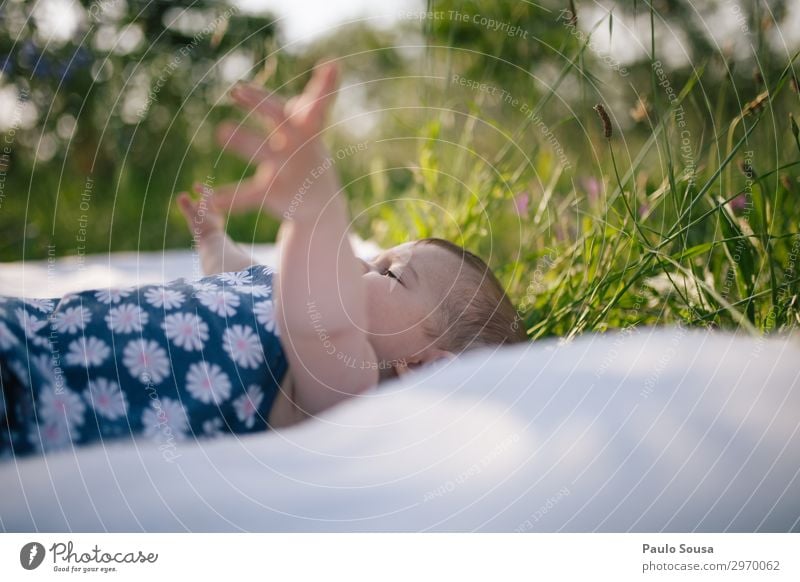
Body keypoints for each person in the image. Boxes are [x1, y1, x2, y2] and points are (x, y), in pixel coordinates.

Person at [0, 62, 526, 458]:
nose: (366, 264)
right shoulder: (298, 305)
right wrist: (213, 241)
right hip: (35, 328)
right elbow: (243, 277)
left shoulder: (346, 382)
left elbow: (316, 321)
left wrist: (317, 203)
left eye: (392, 273)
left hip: (45, 397)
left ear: (422, 365)